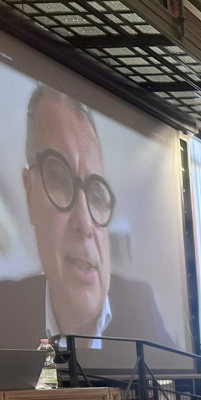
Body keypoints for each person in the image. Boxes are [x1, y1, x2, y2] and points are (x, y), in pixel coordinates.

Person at [0, 84, 174, 350]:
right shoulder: (6, 309)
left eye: (95, 195)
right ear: (30, 192)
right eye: (60, 180)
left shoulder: (142, 308)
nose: (84, 222)